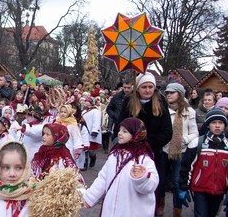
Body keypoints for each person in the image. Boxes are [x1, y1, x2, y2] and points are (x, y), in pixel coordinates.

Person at [115, 72, 172, 216]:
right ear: (138, 88)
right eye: (144, 87)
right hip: (129, 150)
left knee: (150, 183)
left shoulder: (161, 103)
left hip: (152, 152)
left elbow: (167, 132)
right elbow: (119, 125)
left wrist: (147, 144)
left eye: (150, 87)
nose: (148, 90)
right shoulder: (129, 102)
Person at [83, 118, 159, 216]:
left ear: (136, 135)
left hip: (133, 211)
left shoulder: (144, 159)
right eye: (119, 130)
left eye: (125, 131)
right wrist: (89, 198)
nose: (119, 133)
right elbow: (102, 179)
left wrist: (142, 178)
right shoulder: (114, 155)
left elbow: (151, 185)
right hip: (111, 210)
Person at [178, 108, 228, 217]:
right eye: (214, 122)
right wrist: (183, 187)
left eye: (220, 122)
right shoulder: (197, 143)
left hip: (219, 191)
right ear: (208, 125)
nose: (217, 126)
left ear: (224, 125)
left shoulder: (227, 146)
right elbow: (186, 166)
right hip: (200, 190)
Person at [161, 83, 198, 217]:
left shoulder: (189, 111)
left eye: (172, 92)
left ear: (180, 94)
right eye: (167, 93)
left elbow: (195, 133)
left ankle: (177, 210)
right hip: (164, 149)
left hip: (181, 151)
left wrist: (185, 139)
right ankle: (160, 205)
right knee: (161, 179)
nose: (168, 95)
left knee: (177, 182)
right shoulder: (162, 109)